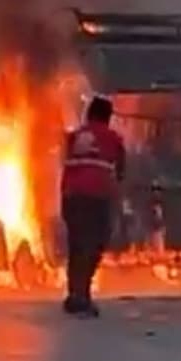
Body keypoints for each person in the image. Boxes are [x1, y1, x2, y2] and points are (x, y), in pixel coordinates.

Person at [60, 95, 125, 317]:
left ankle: (73, 294)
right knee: (95, 243)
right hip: (96, 197)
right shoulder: (112, 138)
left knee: (76, 245)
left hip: (71, 196)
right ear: (107, 117)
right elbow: (121, 170)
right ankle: (83, 295)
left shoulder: (73, 137)